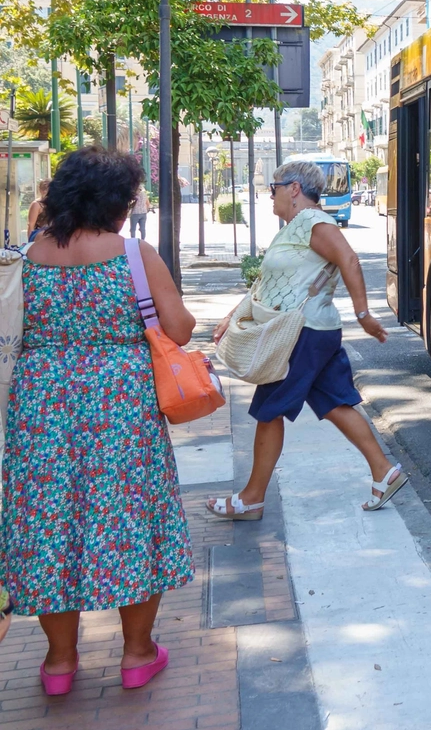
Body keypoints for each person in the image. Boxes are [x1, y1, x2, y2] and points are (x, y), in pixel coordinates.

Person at [2, 147, 197, 695]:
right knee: (130, 520)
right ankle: (136, 654)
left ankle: (60, 663)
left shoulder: (27, 257)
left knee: (48, 525)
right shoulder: (135, 255)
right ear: (118, 202)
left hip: (40, 410)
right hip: (121, 410)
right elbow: (179, 331)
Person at [207, 160, 400, 521]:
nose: (270, 196)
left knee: (269, 412)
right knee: (335, 402)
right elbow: (268, 285)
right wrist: (234, 313)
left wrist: (364, 315)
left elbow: (349, 259)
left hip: (299, 334)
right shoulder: (296, 226)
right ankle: (383, 471)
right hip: (313, 331)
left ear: (294, 188)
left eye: (273, 188)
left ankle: (251, 499)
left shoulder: (313, 221)